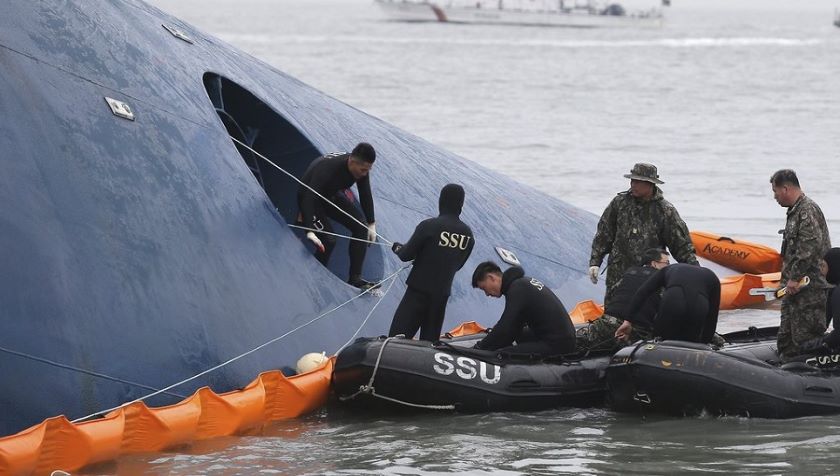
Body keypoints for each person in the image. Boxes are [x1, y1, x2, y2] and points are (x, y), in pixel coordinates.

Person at [588, 163, 698, 308]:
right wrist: (595, 262)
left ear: (650, 184)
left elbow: (681, 246)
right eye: (632, 180)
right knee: (613, 312)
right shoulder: (619, 203)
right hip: (619, 273)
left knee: (647, 314)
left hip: (650, 276)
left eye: (638, 181)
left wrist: (696, 273)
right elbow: (604, 234)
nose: (633, 184)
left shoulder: (665, 211)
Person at [388, 184, 474, 341]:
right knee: (429, 345)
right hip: (440, 298)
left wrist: (397, 248)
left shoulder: (429, 226)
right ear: (461, 205)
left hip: (417, 293)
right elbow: (458, 265)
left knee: (396, 339)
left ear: (441, 201)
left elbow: (406, 255)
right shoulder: (467, 233)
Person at [297, 143, 378, 289]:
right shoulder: (328, 169)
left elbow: (365, 193)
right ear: (352, 162)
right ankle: (313, 279)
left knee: (361, 227)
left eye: (368, 170)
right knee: (329, 240)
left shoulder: (360, 167)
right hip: (309, 197)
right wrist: (309, 230)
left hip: (329, 195)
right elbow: (308, 197)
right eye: (363, 170)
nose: (365, 174)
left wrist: (371, 223)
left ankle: (355, 278)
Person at [770, 169, 832, 358]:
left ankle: (814, 378)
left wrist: (794, 278)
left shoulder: (807, 211)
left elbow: (808, 248)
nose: (774, 197)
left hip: (809, 289)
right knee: (786, 339)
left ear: (786, 188)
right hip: (794, 289)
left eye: (775, 191)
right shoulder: (794, 211)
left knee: (806, 339)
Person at [471, 262, 576, 355]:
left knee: (502, 355)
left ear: (491, 278)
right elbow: (513, 328)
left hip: (558, 344)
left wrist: (478, 348)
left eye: (484, 288)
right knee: (518, 335)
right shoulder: (522, 283)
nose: (487, 294)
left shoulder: (517, 290)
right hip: (563, 336)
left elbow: (504, 327)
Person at [578, 248, 670, 352]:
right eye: (667, 263)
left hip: (606, 325)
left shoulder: (629, 272)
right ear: (654, 263)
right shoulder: (662, 281)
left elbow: (612, 293)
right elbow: (666, 312)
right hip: (634, 334)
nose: (668, 266)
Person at [615, 263, 720, 344]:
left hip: (673, 300)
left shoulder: (668, 269)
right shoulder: (713, 277)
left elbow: (642, 293)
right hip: (699, 306)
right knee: (690, 345)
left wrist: (627, 321)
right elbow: (712, 316)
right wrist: (705, 343)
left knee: (661, 342)